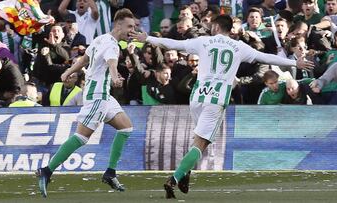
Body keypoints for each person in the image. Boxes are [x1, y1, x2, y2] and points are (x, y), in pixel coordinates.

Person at [131, 14, 314, 199]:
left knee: (197, 140)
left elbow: (173, 44)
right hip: (216, 99)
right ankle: (175, 178)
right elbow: (265, 57)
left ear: (217, 28)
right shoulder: (239, 47)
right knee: (202, 144)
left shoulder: (204, 41)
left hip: (197, 96)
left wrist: (148, 38)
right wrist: (293, 62)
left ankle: (186, 174)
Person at [36, 8, 135, 197]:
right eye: (129, 26)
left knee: (126, 128)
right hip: (97, 96)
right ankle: (47, 170)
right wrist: (115, 77)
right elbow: (112, 62)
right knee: (82, 137)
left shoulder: (100, 39)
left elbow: (85, 59)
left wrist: (67, 72)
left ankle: (110, 173)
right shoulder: (112, 45)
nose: (132, 30)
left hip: (104, 95)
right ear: (118, 25)